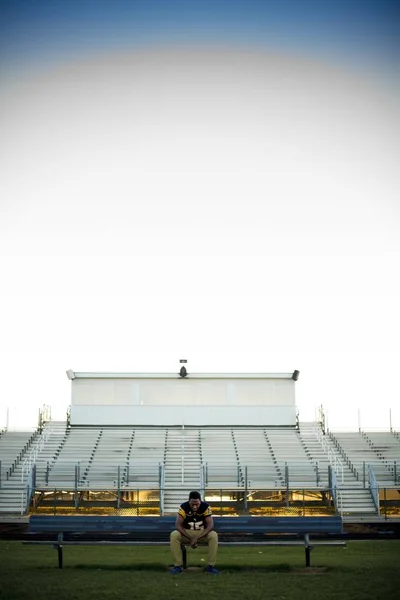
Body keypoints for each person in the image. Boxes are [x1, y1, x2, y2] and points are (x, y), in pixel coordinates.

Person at [169, 490, 220, 574]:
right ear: (189, 501)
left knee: (213, 535)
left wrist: (197, 538)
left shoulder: (205, 507)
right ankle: (177, 566)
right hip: (186, 533)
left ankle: (211, 566)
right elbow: (178, 525)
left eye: (197, 504)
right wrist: (191, 538)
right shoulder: (183, 507)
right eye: (192, 504)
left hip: (201, 533)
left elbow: (210, 525)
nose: (195, 506)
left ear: (200, 501)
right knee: (174, 535)